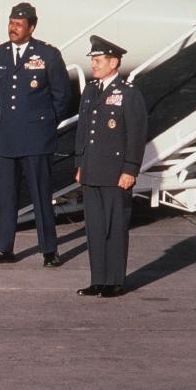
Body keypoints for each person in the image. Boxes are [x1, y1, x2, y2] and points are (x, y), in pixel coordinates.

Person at [0, 2, 71, 266]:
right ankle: (3, 249)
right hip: (7, 134)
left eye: (19, 24)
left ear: (31, 26)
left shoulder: (47, 55)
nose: (13, 28)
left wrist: (46, 124)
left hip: (37, 136)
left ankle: (49, 249)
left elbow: (62, 96)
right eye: (11, 23)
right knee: (4, 195)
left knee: (41, 194)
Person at [72, 36, 147, 298]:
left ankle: (114, 281)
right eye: (92, 60)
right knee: (94, 228)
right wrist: (80, 163)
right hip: (92, 169)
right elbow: (83, 130)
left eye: (98, 60)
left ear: (113, 62)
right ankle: (98, 280)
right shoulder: (90, 90)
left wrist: (130, 169)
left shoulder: (128, 93)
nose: (93, 64)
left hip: (116, 172)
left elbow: (136, 135)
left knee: (114, 227)